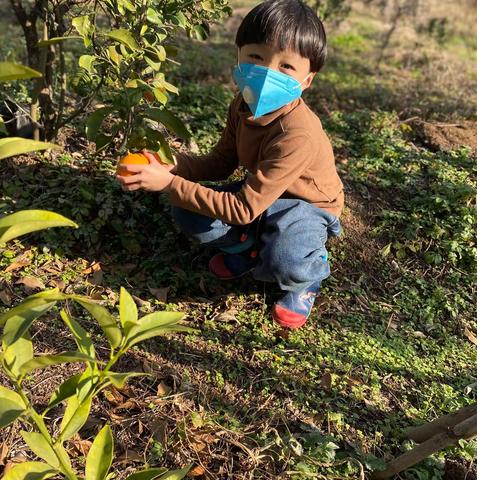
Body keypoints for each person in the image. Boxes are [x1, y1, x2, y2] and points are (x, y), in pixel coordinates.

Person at [116, 0, 344, 329]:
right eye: (256, 57)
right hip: (261, 194)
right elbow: (221, 162)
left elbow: (241, 210)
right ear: (238, 56)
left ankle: (307, 276)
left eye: (286, 67)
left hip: (307, 204)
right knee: (187, 209)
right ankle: (248, 246)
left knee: (286, 261)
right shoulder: (242, 104)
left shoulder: (298, 134)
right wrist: (170, 166)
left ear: (307, 80)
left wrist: (167, 183)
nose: (267, 73)